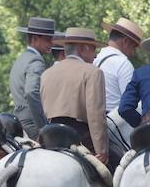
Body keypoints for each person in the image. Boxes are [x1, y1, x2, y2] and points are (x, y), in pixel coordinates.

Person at [40, 27, 109, 166]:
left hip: (50, 136)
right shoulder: (93, 72)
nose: (95, 55)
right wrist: (101, 150)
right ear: (83, 48)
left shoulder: (47, 73)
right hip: (80, 136)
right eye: (93, 49)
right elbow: (95, 115)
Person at [10, 17, 56, 138]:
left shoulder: (21, 59)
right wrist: (43, 126)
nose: (51, 43)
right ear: (35, 38)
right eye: (48, 39)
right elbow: (31, 92)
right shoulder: (36, 61)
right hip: (32, 124)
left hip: (18, 120)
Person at [95, 17, 143, 111]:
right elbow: (131, 102)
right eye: (134, 47)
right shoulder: (123, 64)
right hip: (116, 122)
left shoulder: (95, 59)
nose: (133, 53)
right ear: (125, 42)